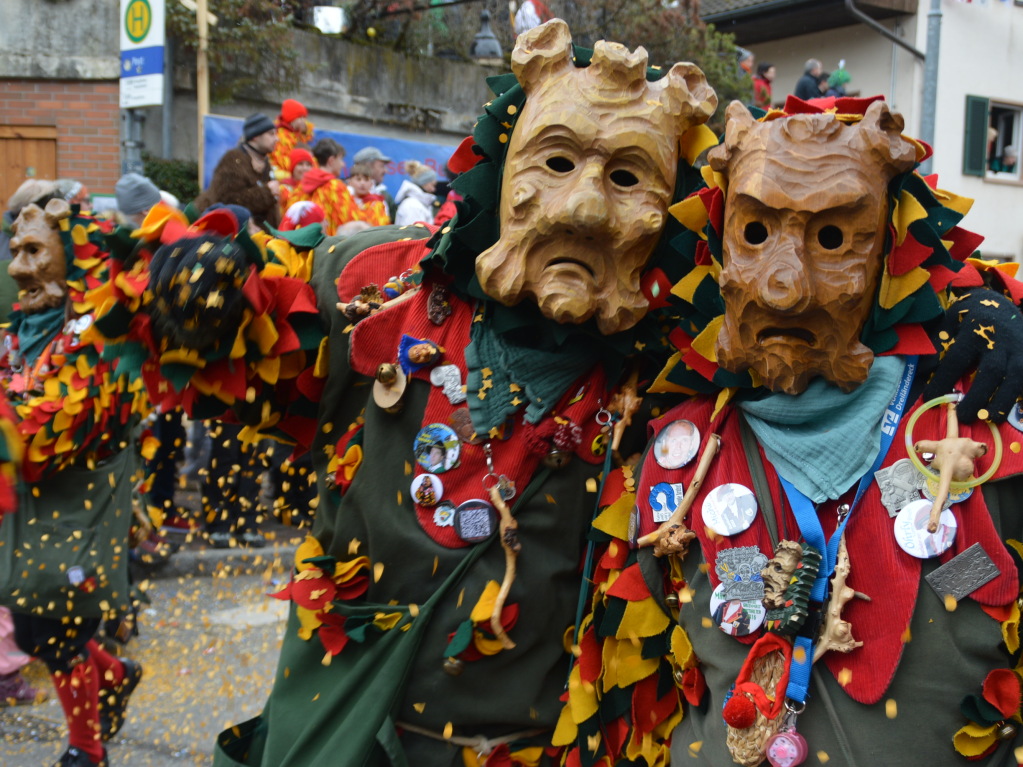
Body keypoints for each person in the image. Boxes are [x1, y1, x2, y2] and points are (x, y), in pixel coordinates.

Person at [89, 19, 719, 765]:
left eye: (624, 178)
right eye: (554, 161)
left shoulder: (671, 380)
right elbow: (238, 354)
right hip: (343, 733)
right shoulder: (380, 288)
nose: (581, 209)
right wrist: (205, 289)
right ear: (503, 161)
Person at [0, 199, 146, 767]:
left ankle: (88, 750)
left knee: (58, 628)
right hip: (37, 501)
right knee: (35, 629)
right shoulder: (26, 328)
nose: (18, 269)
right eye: (14, 252)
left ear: (73, 258)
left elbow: (46, 429)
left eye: (35, 251)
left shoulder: (97, 332)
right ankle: (115, 673)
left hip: (80, 504)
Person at [195, 112, 281, 229]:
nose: (277, 139)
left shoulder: (265, 163)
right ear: (255, 136)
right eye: (271, 134)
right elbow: (228, 201)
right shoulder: (233, 159)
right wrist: (267, 193)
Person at [290, 137, 366, 235]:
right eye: (341, 159)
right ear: (331, 161)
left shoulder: (301, 185)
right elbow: (350, 223)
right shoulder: (336, 187)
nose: (343, 164)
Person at [270, 98, 314, 181]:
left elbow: (309, 135)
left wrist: (305, 131)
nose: (304, 121)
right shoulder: (282, 136)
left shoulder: (296, 133)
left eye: (304, 117)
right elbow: (283, 161)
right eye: (300, 117)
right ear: (292, 118)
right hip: (283, 176)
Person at [351, 146, 396, 220]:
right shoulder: (344, 194)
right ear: (367, 166)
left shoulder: (384, 197)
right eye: (381, 166)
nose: (385, 171)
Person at [393, 160, 437, 226]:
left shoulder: (419, 204)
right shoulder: (412, 206)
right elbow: (413, 234)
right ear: (424, 183)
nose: (433, 189)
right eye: (432, 185)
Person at [346, 161, 390, 226]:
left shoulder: (379, 203)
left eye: (366, 180)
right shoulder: (345, 202)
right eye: (358, 179)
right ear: (349, 182)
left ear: (371, 183)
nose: (362, 183)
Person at [279, 146, 316, 218]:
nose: (305, 168)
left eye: (308, 165)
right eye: (300, 164)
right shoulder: (283, 189)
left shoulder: (316, 190)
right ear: (292, 167)